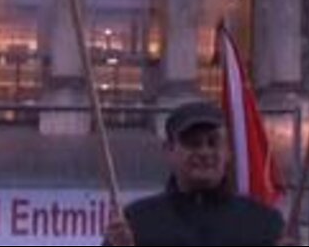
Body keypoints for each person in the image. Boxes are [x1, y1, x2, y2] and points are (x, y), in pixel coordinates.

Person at [101, 100, 296, 246]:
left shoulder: (265, 224)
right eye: (192, 143)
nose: (204, 152)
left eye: (213, 142)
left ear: (228, 151)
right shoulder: (137, 224)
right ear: (169, 150)